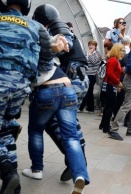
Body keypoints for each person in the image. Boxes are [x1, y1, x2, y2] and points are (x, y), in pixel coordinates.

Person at [0, 1, 67, 193]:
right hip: (20, 88)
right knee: (5, 132)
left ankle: (7, 172)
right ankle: (14, 187)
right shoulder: (37, 27)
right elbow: (46, 65)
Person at [22, 4, 90, 193]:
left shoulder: (35, 40)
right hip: (67, 87)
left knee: (36, 130)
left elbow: (60, 44)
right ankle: (80, 174)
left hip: (48, 90)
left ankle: (37, 169)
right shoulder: (55, 37)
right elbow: (63, 43)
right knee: (71, 135)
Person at [99, 44, 125, 140]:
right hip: (110, 85)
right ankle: (106, 126)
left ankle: (103, 124)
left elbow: (112, 72)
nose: (123, 52)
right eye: (122, 50)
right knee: (110, 106)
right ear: (117, 50)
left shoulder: (114, 59)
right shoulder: (114, 59)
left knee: (108, 106)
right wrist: (118, 82)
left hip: (110, 84)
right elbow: (109, 73)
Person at [79, 40, 102, 113]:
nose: (91, 46)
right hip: (87, 73)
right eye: (90, 45)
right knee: (89, 91)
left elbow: (94, 62)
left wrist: (90, 54)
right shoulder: (87, 53)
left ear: (95, 46)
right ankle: (90, 107)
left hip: (93, 74)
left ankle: (82, 107)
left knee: (88, 91)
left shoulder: (97, 54)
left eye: (92, 45)